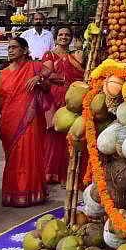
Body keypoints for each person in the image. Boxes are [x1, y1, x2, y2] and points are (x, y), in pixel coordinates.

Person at [0, 36, 47, 207]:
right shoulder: (4, 73)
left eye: (14, 47)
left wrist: (39, 79)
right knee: (12, 159)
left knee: (29, 156)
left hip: (30, 120)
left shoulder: (34, 67)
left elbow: (50, 84)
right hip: (9, 122)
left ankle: (32, 193)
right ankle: (12, 193)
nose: (11, 50)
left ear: (24, 50)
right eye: (9, 48)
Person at [42, 24, 84, 184]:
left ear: (71, 38)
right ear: (56, 38)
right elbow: (47, 74)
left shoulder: (76, 56)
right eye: (60, 35)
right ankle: (50, 172)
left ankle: (67, 174)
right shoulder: (49, 55)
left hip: (72, 97)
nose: (64, 37)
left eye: (67, 35)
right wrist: (63, 78)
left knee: (71, 133)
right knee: (54, 133)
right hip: (55, 96)